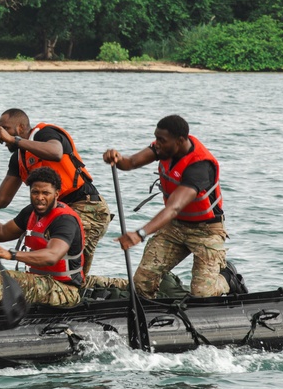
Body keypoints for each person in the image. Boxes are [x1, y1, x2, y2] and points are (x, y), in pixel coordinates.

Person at [0, 108, 110, 277]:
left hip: (87, 206)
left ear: (21, 128)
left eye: (5, 128)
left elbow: (56, 152)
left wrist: (13, 140)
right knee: (49, 268)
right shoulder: (18, 157)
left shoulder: (44, 134)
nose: (0, 134)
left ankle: (96, 290)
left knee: (70, 270)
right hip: (55, 211)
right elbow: (2, 198)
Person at [103, 114, 244, 299]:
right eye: (156, 138)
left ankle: (228, 277)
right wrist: (116, 158)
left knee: (202, 293)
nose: (156, 144)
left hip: (206, 231)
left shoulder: (199, 166)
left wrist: (140, 234)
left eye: (161, 140)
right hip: (176, 227)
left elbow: (174, 207)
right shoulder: (164, 149)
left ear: (179, 141)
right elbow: (131, 162)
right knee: (141, 284)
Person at [0, 167, 84, 317]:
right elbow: (0, 233)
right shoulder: (30, 212)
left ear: (56, 194)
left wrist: (11, 254)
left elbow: (52, 255)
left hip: (63, 290)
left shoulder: (64, 220)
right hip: (38, 282)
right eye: (35, 192)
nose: (40, 197)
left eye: (45, 193)